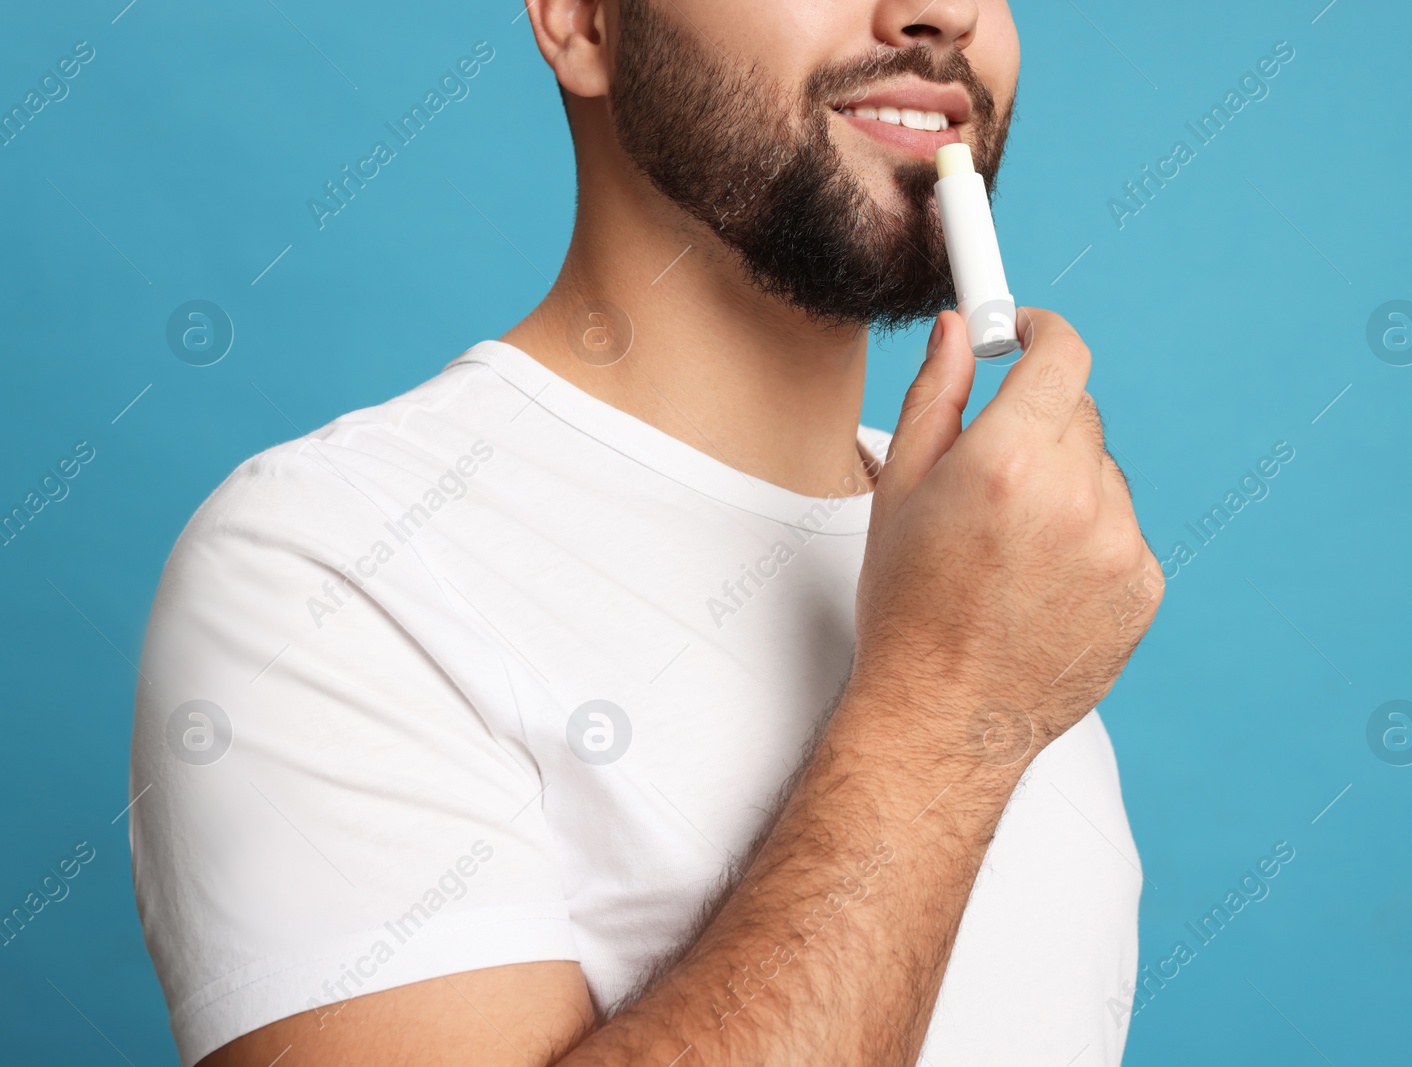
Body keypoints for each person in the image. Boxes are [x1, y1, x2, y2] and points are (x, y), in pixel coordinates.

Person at [128, 0, 1164, 1064]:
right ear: (581, 22)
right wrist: (946, 709)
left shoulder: (993, 553)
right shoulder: (330, 571)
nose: (936, 11)